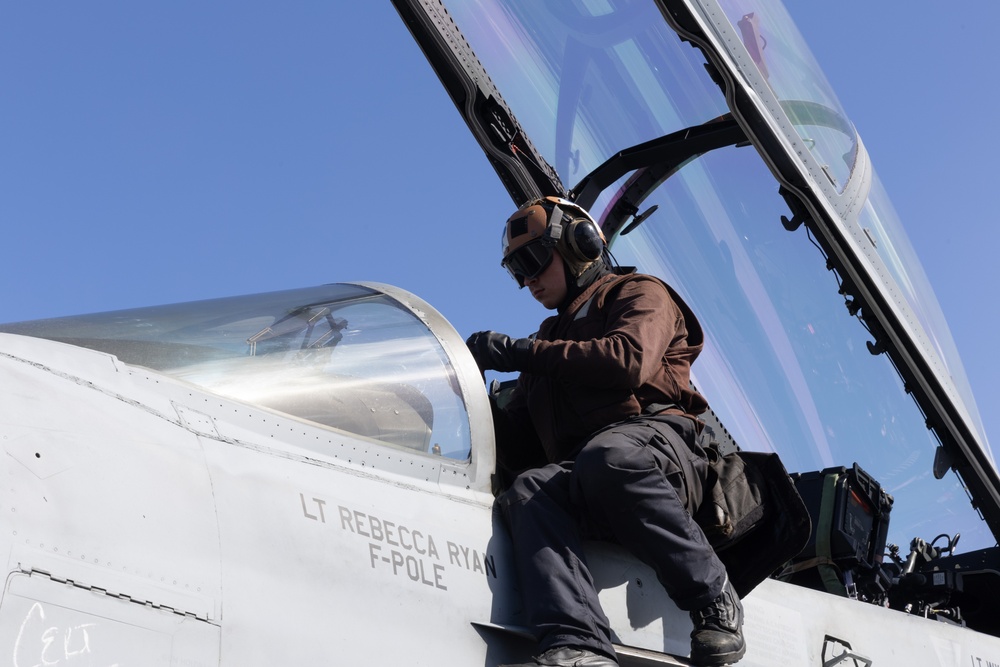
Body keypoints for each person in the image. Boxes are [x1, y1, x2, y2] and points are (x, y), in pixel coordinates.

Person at [466, 196, 745, 667]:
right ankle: (578, 645)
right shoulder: (548, 340)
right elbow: (519, 443)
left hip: (662, 454)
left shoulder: (639, 293)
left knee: (609, 455)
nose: (529, 280)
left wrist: (518, 353)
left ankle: (714, 595)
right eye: (518, 271)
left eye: (534, 261)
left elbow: (627, 360)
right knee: (529, 490)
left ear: (580, 246)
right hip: (593, 473)